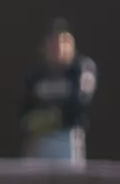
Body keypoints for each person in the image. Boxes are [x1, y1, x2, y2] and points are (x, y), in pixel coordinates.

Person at [20, 18, 97, 164]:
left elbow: (77, 107)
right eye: (54, 41)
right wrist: (53, 118)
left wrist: (45, 119)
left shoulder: (81, 69)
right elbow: (23, 114)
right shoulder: (36, 75)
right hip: (38, 139)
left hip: (67, 139)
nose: (59, 47)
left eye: (64, 42)